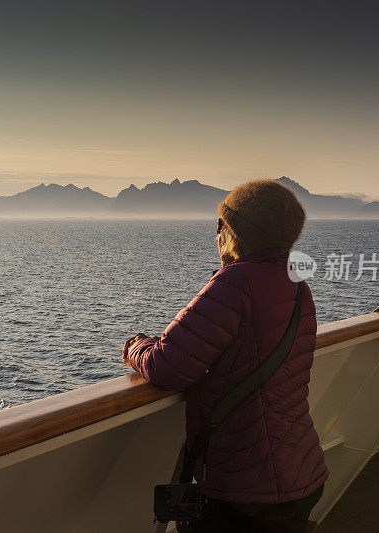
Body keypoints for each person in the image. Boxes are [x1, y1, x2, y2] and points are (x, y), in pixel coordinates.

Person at [123, 180, 328, 532]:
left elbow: (167, 366)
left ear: (235, 232)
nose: (216, 235)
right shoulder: (296, 285)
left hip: (249, 489)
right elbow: (246, 346)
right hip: (301, 469)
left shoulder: (237, 282)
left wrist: (135, 346)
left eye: (221, 225)